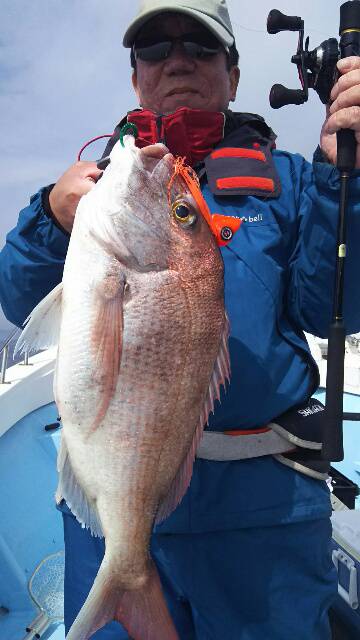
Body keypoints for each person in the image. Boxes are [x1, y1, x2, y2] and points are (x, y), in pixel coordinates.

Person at [2, 0, 360, 638]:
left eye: (200, 48)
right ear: (136, 75)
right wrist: (48, 220)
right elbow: (16, 297)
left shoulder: (298, 181)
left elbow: (337, 302)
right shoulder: (93, 193)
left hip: (263, 510)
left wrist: (345, 179)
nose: (177, 61)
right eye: (155, 50)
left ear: (234, 72)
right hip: (112, 501)